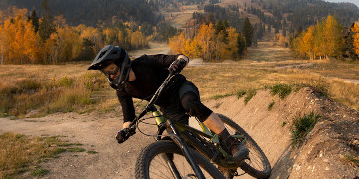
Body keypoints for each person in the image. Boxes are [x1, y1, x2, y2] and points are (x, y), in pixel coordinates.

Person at [88, 45, 249, 164]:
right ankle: (219, 163)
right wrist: (124, 130)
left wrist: (179, 62)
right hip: (168, 107)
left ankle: (232, 143)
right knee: (176, 139)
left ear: (122, 63)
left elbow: (179, 57)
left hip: (181, 89)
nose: (110, 75)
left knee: (190, 103)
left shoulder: (144, 62)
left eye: (112, 69)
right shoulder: (122, 89)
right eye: (107, 73)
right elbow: (128, 116)